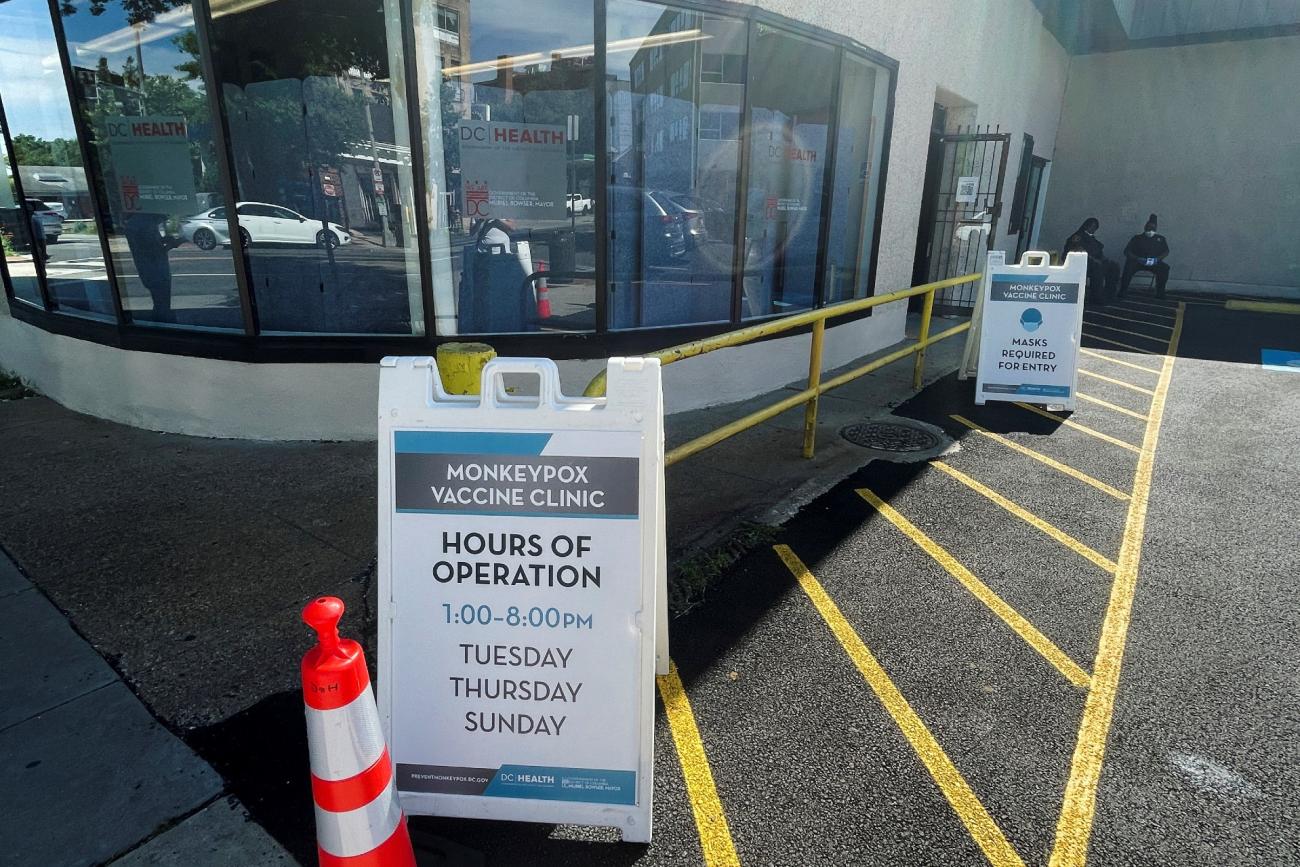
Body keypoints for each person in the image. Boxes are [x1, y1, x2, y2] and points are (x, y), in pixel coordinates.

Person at [123, 212, 182, 323]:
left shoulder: (136, 224)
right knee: (162, 304)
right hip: (156, 271)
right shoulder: (144, 224)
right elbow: (153, 251)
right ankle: (163, 326)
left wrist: (165, 240)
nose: (163, 219)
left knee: (159, 302)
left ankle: (160, 323)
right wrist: (173, 244)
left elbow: (150, 245)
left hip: (147, 269)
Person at [1063, 217, 1119, 306]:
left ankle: (1109, 294)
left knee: (1114, 266)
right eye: (1091, 226)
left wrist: (1104, 259)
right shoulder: (1077, 236)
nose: (1093, 229)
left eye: (1095, 227)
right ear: (1086, 225)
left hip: (1094, 261)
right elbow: (1078, 251)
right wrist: (1095, 260)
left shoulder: (1092, 238)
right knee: (1098, 268)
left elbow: (1098, 251)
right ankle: (1096, 297)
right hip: (1081, 263)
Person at [1119, 213, 1170, 299]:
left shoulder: (1160, 239)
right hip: (1138, 262)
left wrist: (1158, 259)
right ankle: (1122, 291)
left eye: (1153, 228)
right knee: (1129, 266)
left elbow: (1166, 251)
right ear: (1145, 227)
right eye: (1149, 228)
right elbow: (1127, 251)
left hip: (1154, 262)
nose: (1150, 231)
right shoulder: (1137, 238)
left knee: (1165, 268)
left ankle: (1160, 292)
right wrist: (1137, 258)